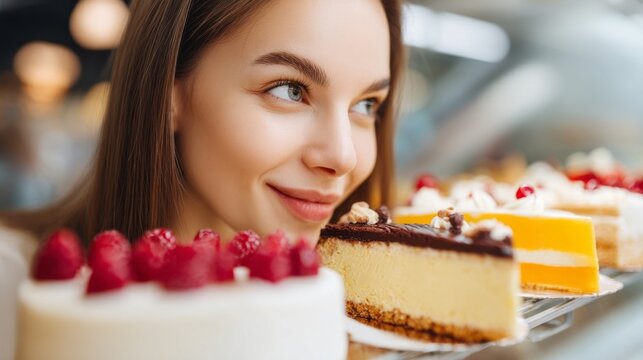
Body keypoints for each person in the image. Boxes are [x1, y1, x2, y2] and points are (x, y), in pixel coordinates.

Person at [0, 0, 403, 358]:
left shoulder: (356, 317)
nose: (344, 156)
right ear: (169, 92)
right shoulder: (11, 281)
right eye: (289, 90)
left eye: (367, 105)